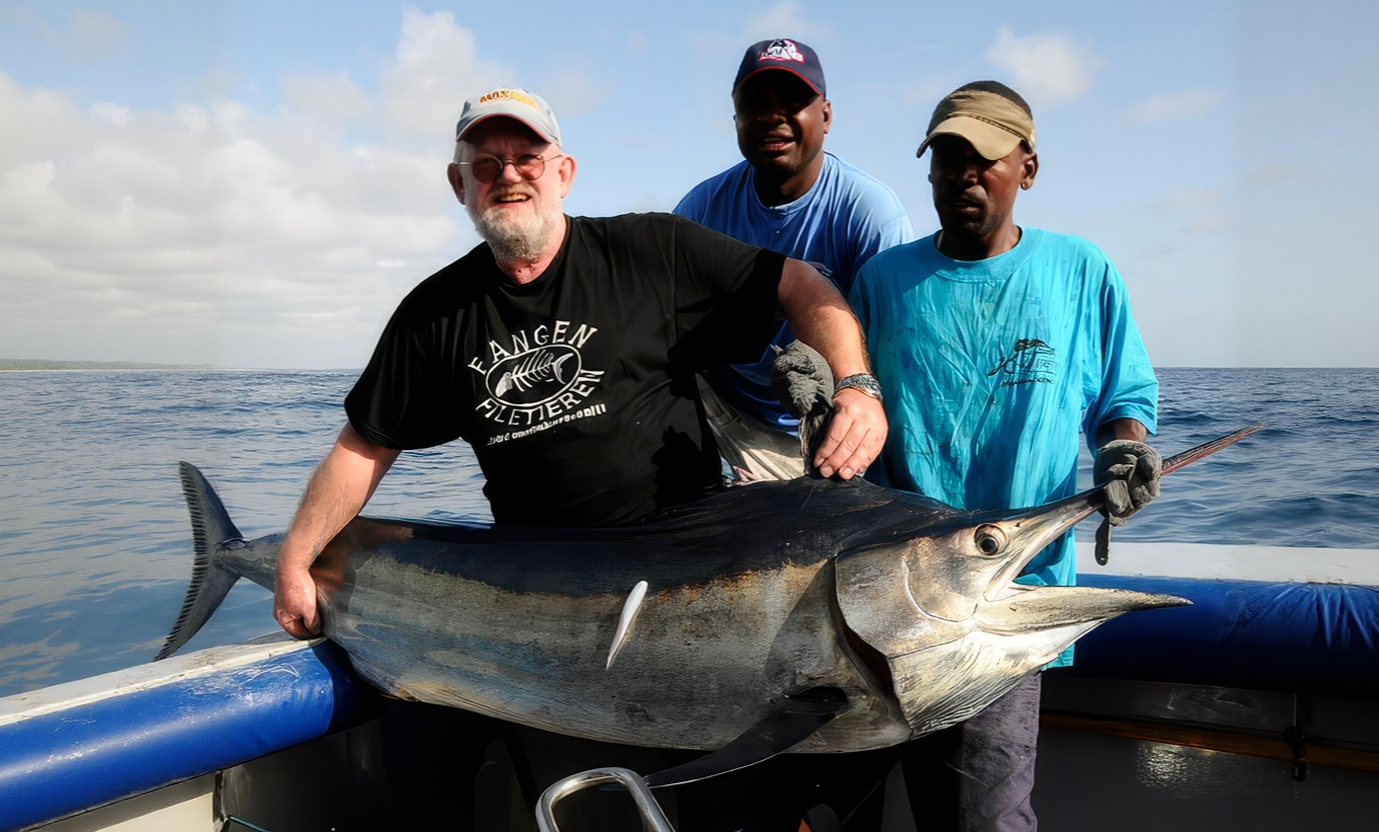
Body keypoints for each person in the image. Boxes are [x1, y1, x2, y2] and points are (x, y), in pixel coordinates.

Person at [270, 86, 887, 829]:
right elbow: (364, 446)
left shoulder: (651, 252)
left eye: (527, 158)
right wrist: (295, 559)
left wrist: (855, 386)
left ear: (562, 172)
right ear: (459, 184)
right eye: (486, 163)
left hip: (688, 582)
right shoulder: (435, 313)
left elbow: (800, 284)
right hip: (529, 588)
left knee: (738, 804)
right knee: (419, 745)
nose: (509, 175)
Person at [848, 81, 1162, 832]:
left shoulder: (1081, 271)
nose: (962, 174)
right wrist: (809, 383)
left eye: (983, 158)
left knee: (983, 821)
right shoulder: (881, 280)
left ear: (1028, 168)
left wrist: (1124, 453)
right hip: (881, 608)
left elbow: (1123, 399)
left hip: (1005, 613)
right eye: (947, 158)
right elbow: (848, 406)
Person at [675, 38, 912, 479]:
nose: (772, 117)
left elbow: (896, 349)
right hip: (725, 417)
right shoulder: (700, 209)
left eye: (792, 102)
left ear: (826, 115)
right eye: (755, 105)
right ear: (736, 120)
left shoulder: (870, 211)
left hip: (828, 425)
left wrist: (849, 387)